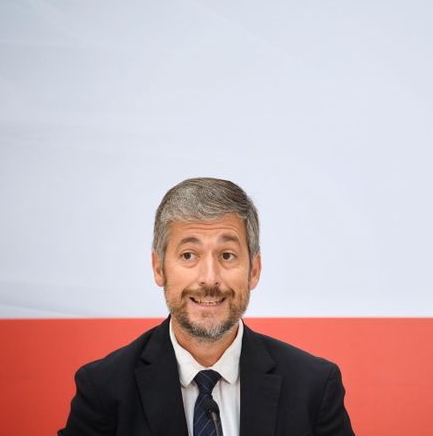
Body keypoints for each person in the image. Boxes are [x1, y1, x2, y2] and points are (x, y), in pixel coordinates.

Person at [59, 177, 354, 436]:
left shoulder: (313, 386)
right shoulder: (104, 390)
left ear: (254, 270)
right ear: (158, 268)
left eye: (227, 255)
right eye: (189, 255)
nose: (209, 279)